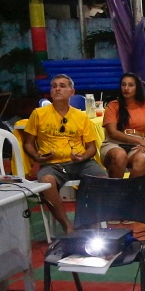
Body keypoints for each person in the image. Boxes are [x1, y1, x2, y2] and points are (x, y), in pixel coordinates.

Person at [23, 74, 105, 232]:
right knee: (47, 181)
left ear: (72, 92)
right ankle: (66, 225)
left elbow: (91, 148)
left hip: (80, 163)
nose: (57, 89)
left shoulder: (81, 116)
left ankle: (89, 221)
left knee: (101, 177)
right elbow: (28, 143)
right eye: (54, 86)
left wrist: (83, 157)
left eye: (62, 86)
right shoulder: (38, 114)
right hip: (51, 165)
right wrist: (37, 156)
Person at [101, 72, 145, 178]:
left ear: (137, 88)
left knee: (142, 158)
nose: (126, 88)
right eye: (123, 85)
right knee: (120, 155)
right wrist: (140, 141)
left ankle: (131, 188)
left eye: (130, 85)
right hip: (114, 144)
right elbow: (113, 133)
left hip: (137, 146)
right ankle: (115, 188)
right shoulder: (113, 106)